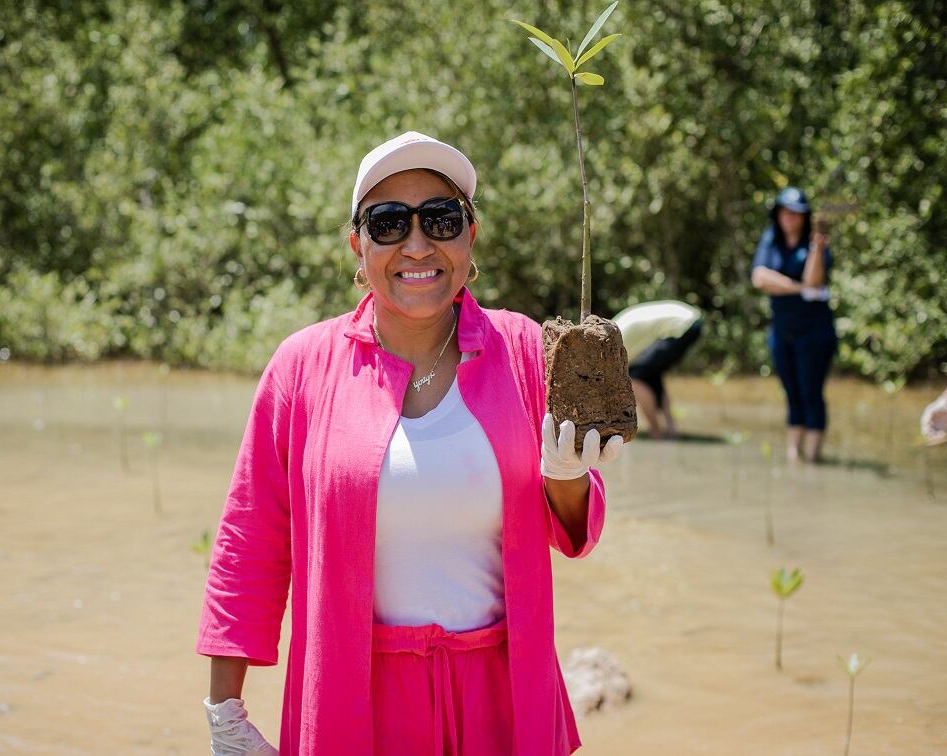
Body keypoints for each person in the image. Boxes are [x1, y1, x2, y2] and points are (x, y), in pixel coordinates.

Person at [196, 131, 623, 756]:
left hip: (499, 695)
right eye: (389, 223)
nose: (417, 245)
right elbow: (250, 541)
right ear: (358, 245)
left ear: (469, 237)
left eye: (441, 220)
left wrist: (568, 474)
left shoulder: (527, 350)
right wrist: (224, 713)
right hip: (355, 695)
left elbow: (573, 532)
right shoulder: (302, 367)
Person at [751, 187, 837, 463]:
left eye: (795, 213)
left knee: (811, 392)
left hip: (814, 332)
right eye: (785, 211)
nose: (789, 217)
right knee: (791, 393)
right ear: (778, 214)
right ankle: (792, 456)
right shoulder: (771, 239)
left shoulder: (815, 244)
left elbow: (815, 281)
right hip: (782, 332)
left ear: (804, 216)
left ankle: (812, 459)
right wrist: (797, 287)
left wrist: (817, 248)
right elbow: (760, 278)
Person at [613, 300, 702, 439]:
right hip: (689, 320)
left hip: (680, 326)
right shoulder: (611, 329)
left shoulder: (609, 344)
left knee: (635, 379)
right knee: (651, 376)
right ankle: (671, 428)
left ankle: (655, 431)